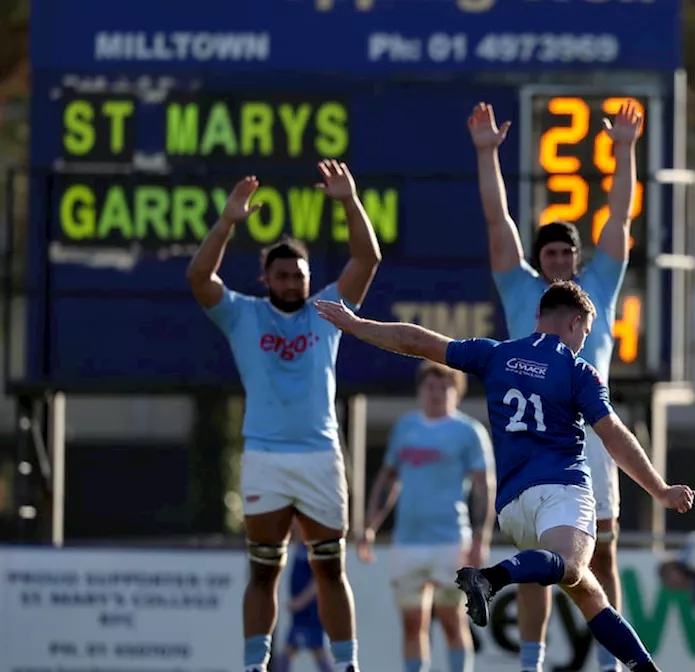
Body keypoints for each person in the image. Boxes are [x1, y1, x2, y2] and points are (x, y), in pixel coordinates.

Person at [312, 281, 694, 672]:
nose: (582, 341)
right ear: (576, 323)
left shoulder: (496, 354)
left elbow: (415, 340)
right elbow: (613, 435)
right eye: (585, 332)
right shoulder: (578, 371)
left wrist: (357, 325)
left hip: (514, 507)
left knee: (591, 595)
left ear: (538, 317)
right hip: (560, 489)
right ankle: (493, 577)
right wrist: (660, 489)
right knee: (575, 566)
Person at [186, 161, 382, 672]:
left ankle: (345, 665)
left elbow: (367, 256)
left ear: (310, 279)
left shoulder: (329, 310)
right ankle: (255, 664)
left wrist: (348, 200)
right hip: (266, 456)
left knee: (329, 570)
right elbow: (198, 277)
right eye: (281, 274)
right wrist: (227, 222)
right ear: (265, 278)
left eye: (298, 274)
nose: (291, 281)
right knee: (263, 571)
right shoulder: (243, 314)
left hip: (320, 455)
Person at [468, 99, 641, 672]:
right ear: (538, 259)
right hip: (539, 441)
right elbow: (498, 223)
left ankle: (611, 664)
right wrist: (488, 154)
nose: (562, 259)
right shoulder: (521, 290)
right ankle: (532, 662)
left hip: (593, 435)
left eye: (568, 251)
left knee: (604, 554)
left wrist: (623, 150)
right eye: (551, 252)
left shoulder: (598, 287)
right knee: (541, 557)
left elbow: (619, 219)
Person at [359, 361, 496, 672]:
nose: (436, 393)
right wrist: (370, 526)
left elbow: (482, 488)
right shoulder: (406, 428)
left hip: (450, 542)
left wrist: (480, 538)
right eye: (430, 387)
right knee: (412, 623)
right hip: (407, 542)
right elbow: (388, 479)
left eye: (444, 386)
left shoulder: (469, 432)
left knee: (451, 619)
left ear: (457, 392)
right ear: (420, 390)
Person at [278, 523, 335, 672]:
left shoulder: (311, 549)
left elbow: (318, 580)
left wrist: (300, 601)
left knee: (318, 650)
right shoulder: (298, 548)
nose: (293, 527)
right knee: (288, 652)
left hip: (312, 612)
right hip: (299, 615)